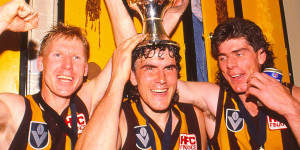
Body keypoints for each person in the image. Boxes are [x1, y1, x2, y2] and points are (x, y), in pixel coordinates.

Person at [90, 0, 300, 149]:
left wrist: (291, 110)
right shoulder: (215, 99)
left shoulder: (294, 96)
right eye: (223, 57)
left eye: (239, 54)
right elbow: (148, 69)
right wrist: (172, 13)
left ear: (261, 56)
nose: (230, 66)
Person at [0, 1, 114, 149]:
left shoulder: (86, 102)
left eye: (76, 58)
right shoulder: (17, 110)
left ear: (85, 69)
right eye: (58, 55)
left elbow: (127, 49)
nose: (68, 65)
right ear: (40, 63)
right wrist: (2, 19)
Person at [76, 33, 207, 149]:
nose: (161, 79)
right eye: (150, 68)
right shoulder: (121, 117)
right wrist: (117, 81)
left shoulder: (193, 116)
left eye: (168, 68)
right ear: (133, 76)